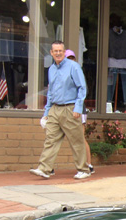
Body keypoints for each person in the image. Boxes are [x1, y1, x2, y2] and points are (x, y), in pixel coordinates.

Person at [30, 41, 89, 180]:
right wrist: (46, 113)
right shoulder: (51, 69)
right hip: (55, 108)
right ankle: (45, 168)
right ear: (51, 53)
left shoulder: (73, 67)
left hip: (70, 108)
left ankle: (83, 169)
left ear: (64, 52)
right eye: (55, 51)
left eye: (60, 51)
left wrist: (78, 107)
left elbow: (82, 87)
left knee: (76, 140)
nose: (58, 53)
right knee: (51, 139)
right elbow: (50, 92)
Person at [65, 49, 94, 174]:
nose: (71, 61)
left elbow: (82, 91)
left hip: (77, 109)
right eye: (68, 58)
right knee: (55, 137)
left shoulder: (77, 72)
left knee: (80, 138)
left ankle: (89, 164)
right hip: (63, 109)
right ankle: (49, 167)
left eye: (72, 58)